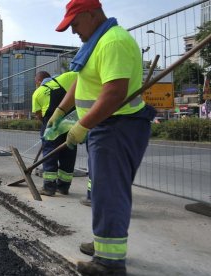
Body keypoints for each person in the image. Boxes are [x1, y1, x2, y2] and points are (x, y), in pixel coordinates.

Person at [53, 0, 156, 275]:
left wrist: (81, 126)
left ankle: (109, 263)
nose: (73, 31)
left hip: (118, 127)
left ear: (91, 14)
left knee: (109, 192)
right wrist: (61, 111)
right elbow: (82, 80)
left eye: (75, 23)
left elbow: (114, 92)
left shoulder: (112, 42)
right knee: (102, 190)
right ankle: (105, 244)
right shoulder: (96, 42)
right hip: (106, 127)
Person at [32, 71, 78, 196]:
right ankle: (63, 187)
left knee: (50, 155)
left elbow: (39, 115)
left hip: (51, 126)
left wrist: (48, 125)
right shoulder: (66, 79)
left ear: (38, 81)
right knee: (69, 154)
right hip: (70, 122)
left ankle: (49, 187)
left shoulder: (37, 92)